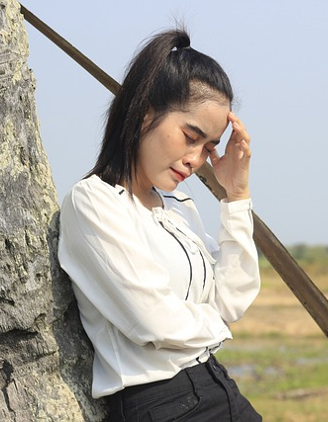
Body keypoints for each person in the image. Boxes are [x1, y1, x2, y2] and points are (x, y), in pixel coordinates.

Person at [57, 27, 262, 421]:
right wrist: (214, 323)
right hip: (161, 407)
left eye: (207, 148)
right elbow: (150, 321)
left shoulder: (178, 206)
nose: (196, 159)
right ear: (146, 113)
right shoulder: (93, 203)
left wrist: (235, 197)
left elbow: (232, 298)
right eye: (190, 136)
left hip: (219, 388)